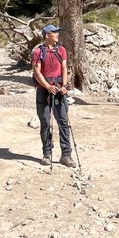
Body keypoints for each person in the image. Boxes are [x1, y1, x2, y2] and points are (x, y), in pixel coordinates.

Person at [32, 25, 75, 168]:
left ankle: (66, 155)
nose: (57, 34)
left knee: (63, 121)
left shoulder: (61, 50)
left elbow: (64, 68)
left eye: (57, 32)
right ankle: (47, 154)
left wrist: (64, 86)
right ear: (46, 35)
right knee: (45, 121)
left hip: (58, 89)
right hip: (44, 90)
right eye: (54, 32)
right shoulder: (38, 52)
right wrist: (47, 86)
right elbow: (37, 73)